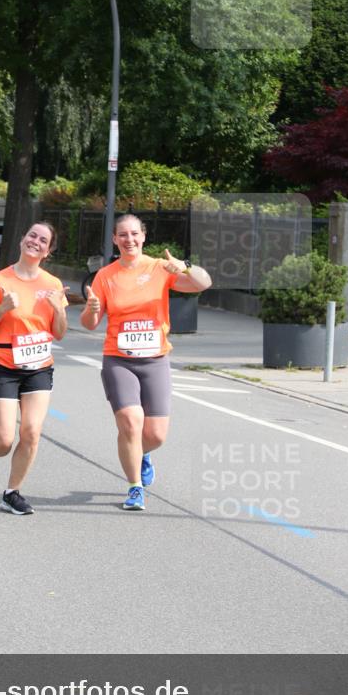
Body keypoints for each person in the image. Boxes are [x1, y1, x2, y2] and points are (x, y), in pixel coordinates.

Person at [80, 213, 212, 511]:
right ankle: (135, 487)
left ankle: (141, 453)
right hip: (119, 359)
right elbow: (89, 323)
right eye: (122, 235)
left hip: (155, 359)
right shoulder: (106, 276)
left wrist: (186, 267)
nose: (129, 240)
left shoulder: (159, 268)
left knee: (155, 435)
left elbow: (203, 283)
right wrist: (91, 308)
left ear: (143, 236)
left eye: (134, 234)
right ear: (115, 239)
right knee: (130, 422)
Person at [0, 222, 68, 515]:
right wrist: (1, 309)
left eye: (43, 240)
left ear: (48, 251)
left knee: (32, 431)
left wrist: (59, 308)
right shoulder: (0, 281)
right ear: (23, 239)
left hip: (38, 366)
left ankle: (12, 492)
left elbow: (59, 332)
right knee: (4, 439)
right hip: (3, 365)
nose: (35, 241)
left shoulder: (53, 285)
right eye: (32, 235)